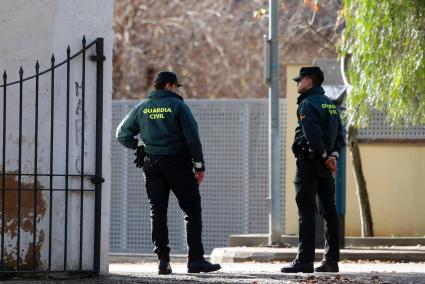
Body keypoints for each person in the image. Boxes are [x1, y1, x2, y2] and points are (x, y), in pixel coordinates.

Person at [116, 71, 221, 275]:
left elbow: (121, 134)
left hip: (151, 165)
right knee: (191, 210)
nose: (176, 90)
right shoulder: (178, 106)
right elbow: (192, 137)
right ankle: (196, 261)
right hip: (177, 164)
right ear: (168, 86)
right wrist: (199, 166)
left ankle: (163, 262)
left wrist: (139, 145)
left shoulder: (142, 106)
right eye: (175, 86)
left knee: (157, 211)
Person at [280, 67, 345, 273]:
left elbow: (312, 134)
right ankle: (331, 261)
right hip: (326, 166)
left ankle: (304, 260)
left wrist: (325, 156)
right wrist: (333, 156)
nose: (297, 84)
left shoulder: (307, 103)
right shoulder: (331, 104)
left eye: (299, 81)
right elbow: (339, 134)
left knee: (306, 211)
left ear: (308, 81)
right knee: (329, 212)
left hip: (309, 163)